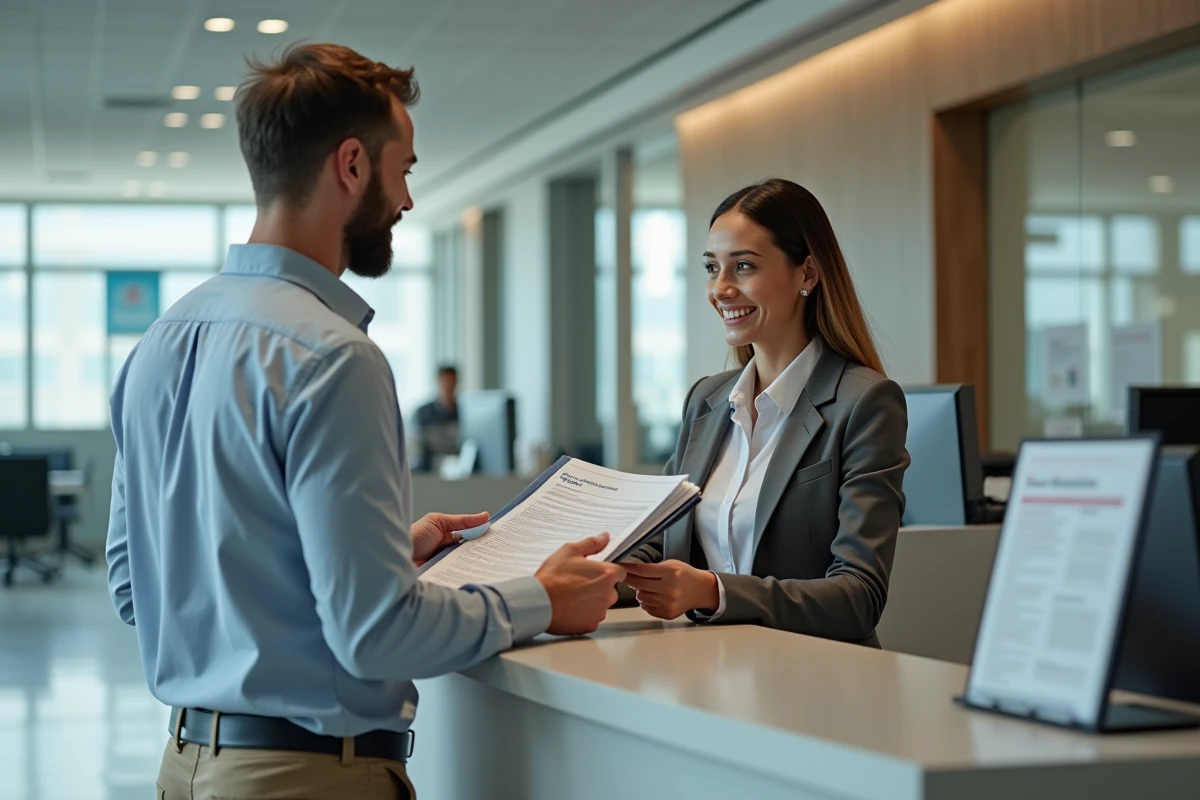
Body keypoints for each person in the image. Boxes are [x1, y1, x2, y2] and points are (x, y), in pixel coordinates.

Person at [105, 43, 624, 800]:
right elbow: (375, 635)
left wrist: (373, 556)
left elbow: (137, 586)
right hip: (302, 780)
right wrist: (543, 598)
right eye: (403, 169)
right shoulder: (333, 356)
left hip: (186, 769)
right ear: (351, 165)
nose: (407, 200)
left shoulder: (159, 340)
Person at [621, 179, 909, 647]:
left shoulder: (865, 402)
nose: (721, 288)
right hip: (707, 666)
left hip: (813, 674)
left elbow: (859, 596)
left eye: (744, 266)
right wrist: (592, 567)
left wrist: (714, 592)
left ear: (807, 274)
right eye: (712, 268)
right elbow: (662, 542)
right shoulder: (705, 401)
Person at [413, 365, 461, 472]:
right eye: (445, 383)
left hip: (457, 470)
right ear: (438, 383)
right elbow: (416, 451)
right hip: (431, 471)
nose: (448, 388)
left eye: (452, 383)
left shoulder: (464, 412)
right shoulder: (423, 413)